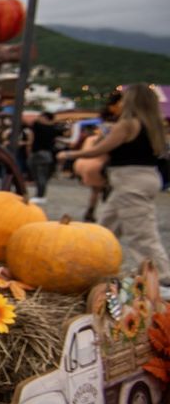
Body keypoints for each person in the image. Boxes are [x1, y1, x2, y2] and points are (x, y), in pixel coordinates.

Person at [59, 83, 170, 282]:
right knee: (106, 227)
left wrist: (69, 153)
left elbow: (100, 149)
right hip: (146, 177)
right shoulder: (154, 125)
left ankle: (162, 276)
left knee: (141, 234)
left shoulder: (128, 124)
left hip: (130, 180)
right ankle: (93, 264)